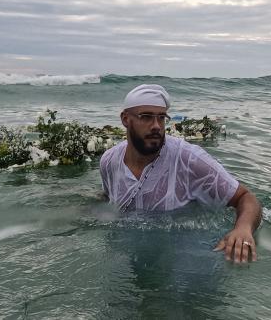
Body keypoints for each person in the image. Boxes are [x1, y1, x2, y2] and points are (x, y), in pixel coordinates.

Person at [100, 84, 262, 263]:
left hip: (190, 257)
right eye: (146, 117)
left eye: (161, 118)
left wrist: (243, 229)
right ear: (125, 119)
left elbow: (245, 197)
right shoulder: (109, 161)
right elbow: (107, 198)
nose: (156, 126)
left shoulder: (189, 160)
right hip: (133, 254)